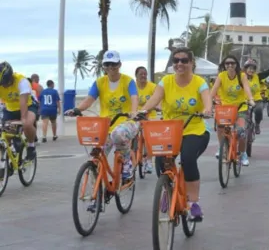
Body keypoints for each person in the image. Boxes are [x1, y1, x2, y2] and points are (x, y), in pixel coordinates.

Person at [140, 47, 211, 222]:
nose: (179, 64)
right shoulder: (166, 81)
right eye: (176, 60)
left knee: (187, 159)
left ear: (191, 63)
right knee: (160, 160)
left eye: (184, 60)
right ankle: (167, 188)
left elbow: (207, 100)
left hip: (195, 130)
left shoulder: (199, 82)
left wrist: (207, 110)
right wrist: (143, 111)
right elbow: (154, 99)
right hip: (171, 131)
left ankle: (194, 203)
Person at [65, 50, 139, 180]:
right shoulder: (99, 82)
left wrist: (133, 113)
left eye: (114, 64)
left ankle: (127, 162)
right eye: (107, 64)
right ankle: (96, 193)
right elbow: (89, 99)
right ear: (103, 66)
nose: (111, 67)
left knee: (118, 135)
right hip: (106, 125)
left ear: (119, 64)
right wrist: (76, 109)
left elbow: (134, 98)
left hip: (127, 123)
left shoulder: (128, 81)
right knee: (97, 154)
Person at [210, 55, 255, 166]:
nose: (230, 65)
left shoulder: (242, 75)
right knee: (221, 127)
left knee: (241, 132)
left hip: (240, 108)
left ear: (236, 65)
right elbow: (214, 90)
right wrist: (208, 104)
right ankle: (222, 148)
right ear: (224, 65)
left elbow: (247, 88)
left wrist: (251, 100)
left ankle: (243, 153)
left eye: (232, 63)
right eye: (227, 63)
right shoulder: (221, 76)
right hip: (225, 108)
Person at [0, 62, 38, 162]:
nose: (4, 85)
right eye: (2, 84)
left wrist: (23, 119)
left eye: (6, 82)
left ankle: (31, 146)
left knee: (27, 124)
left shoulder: (22, 81)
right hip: (10, 108)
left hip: (28, 105)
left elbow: (23, 102)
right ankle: (11, 154)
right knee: (5, 132)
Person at [242, 58, 269, 134]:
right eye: (249, 68)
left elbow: (267, 72)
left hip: (256, 99)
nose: (251, 71)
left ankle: (257, 124)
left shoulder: (257, 76)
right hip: (244, 100)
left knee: (259, 110)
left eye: (253, 69)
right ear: (245, 69)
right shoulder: (240, 77)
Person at [134, 66, 157, 173]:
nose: (143, 76)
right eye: (140, 74)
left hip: (149, 115)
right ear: (136, 76)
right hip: (136, 115)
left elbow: (158, 99)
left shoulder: (152, 86)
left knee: (148, 138)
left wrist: (158, 106)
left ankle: (148, 161)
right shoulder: (133, 87)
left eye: (145, 74)